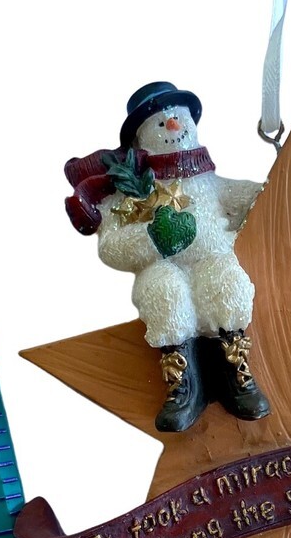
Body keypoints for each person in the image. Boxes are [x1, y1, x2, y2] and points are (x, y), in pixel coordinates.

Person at [65, 82, 271, 432]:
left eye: (177, 118)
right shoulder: (131, 192)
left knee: (227, 283)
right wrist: (153, 239)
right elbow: (111, 246)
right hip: (163, 266)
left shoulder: (210, 183)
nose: (173, 125)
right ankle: (183, 382)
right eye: (161, 123)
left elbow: (254, 199)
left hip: (212, 259)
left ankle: (236, 371)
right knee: (164, 293)